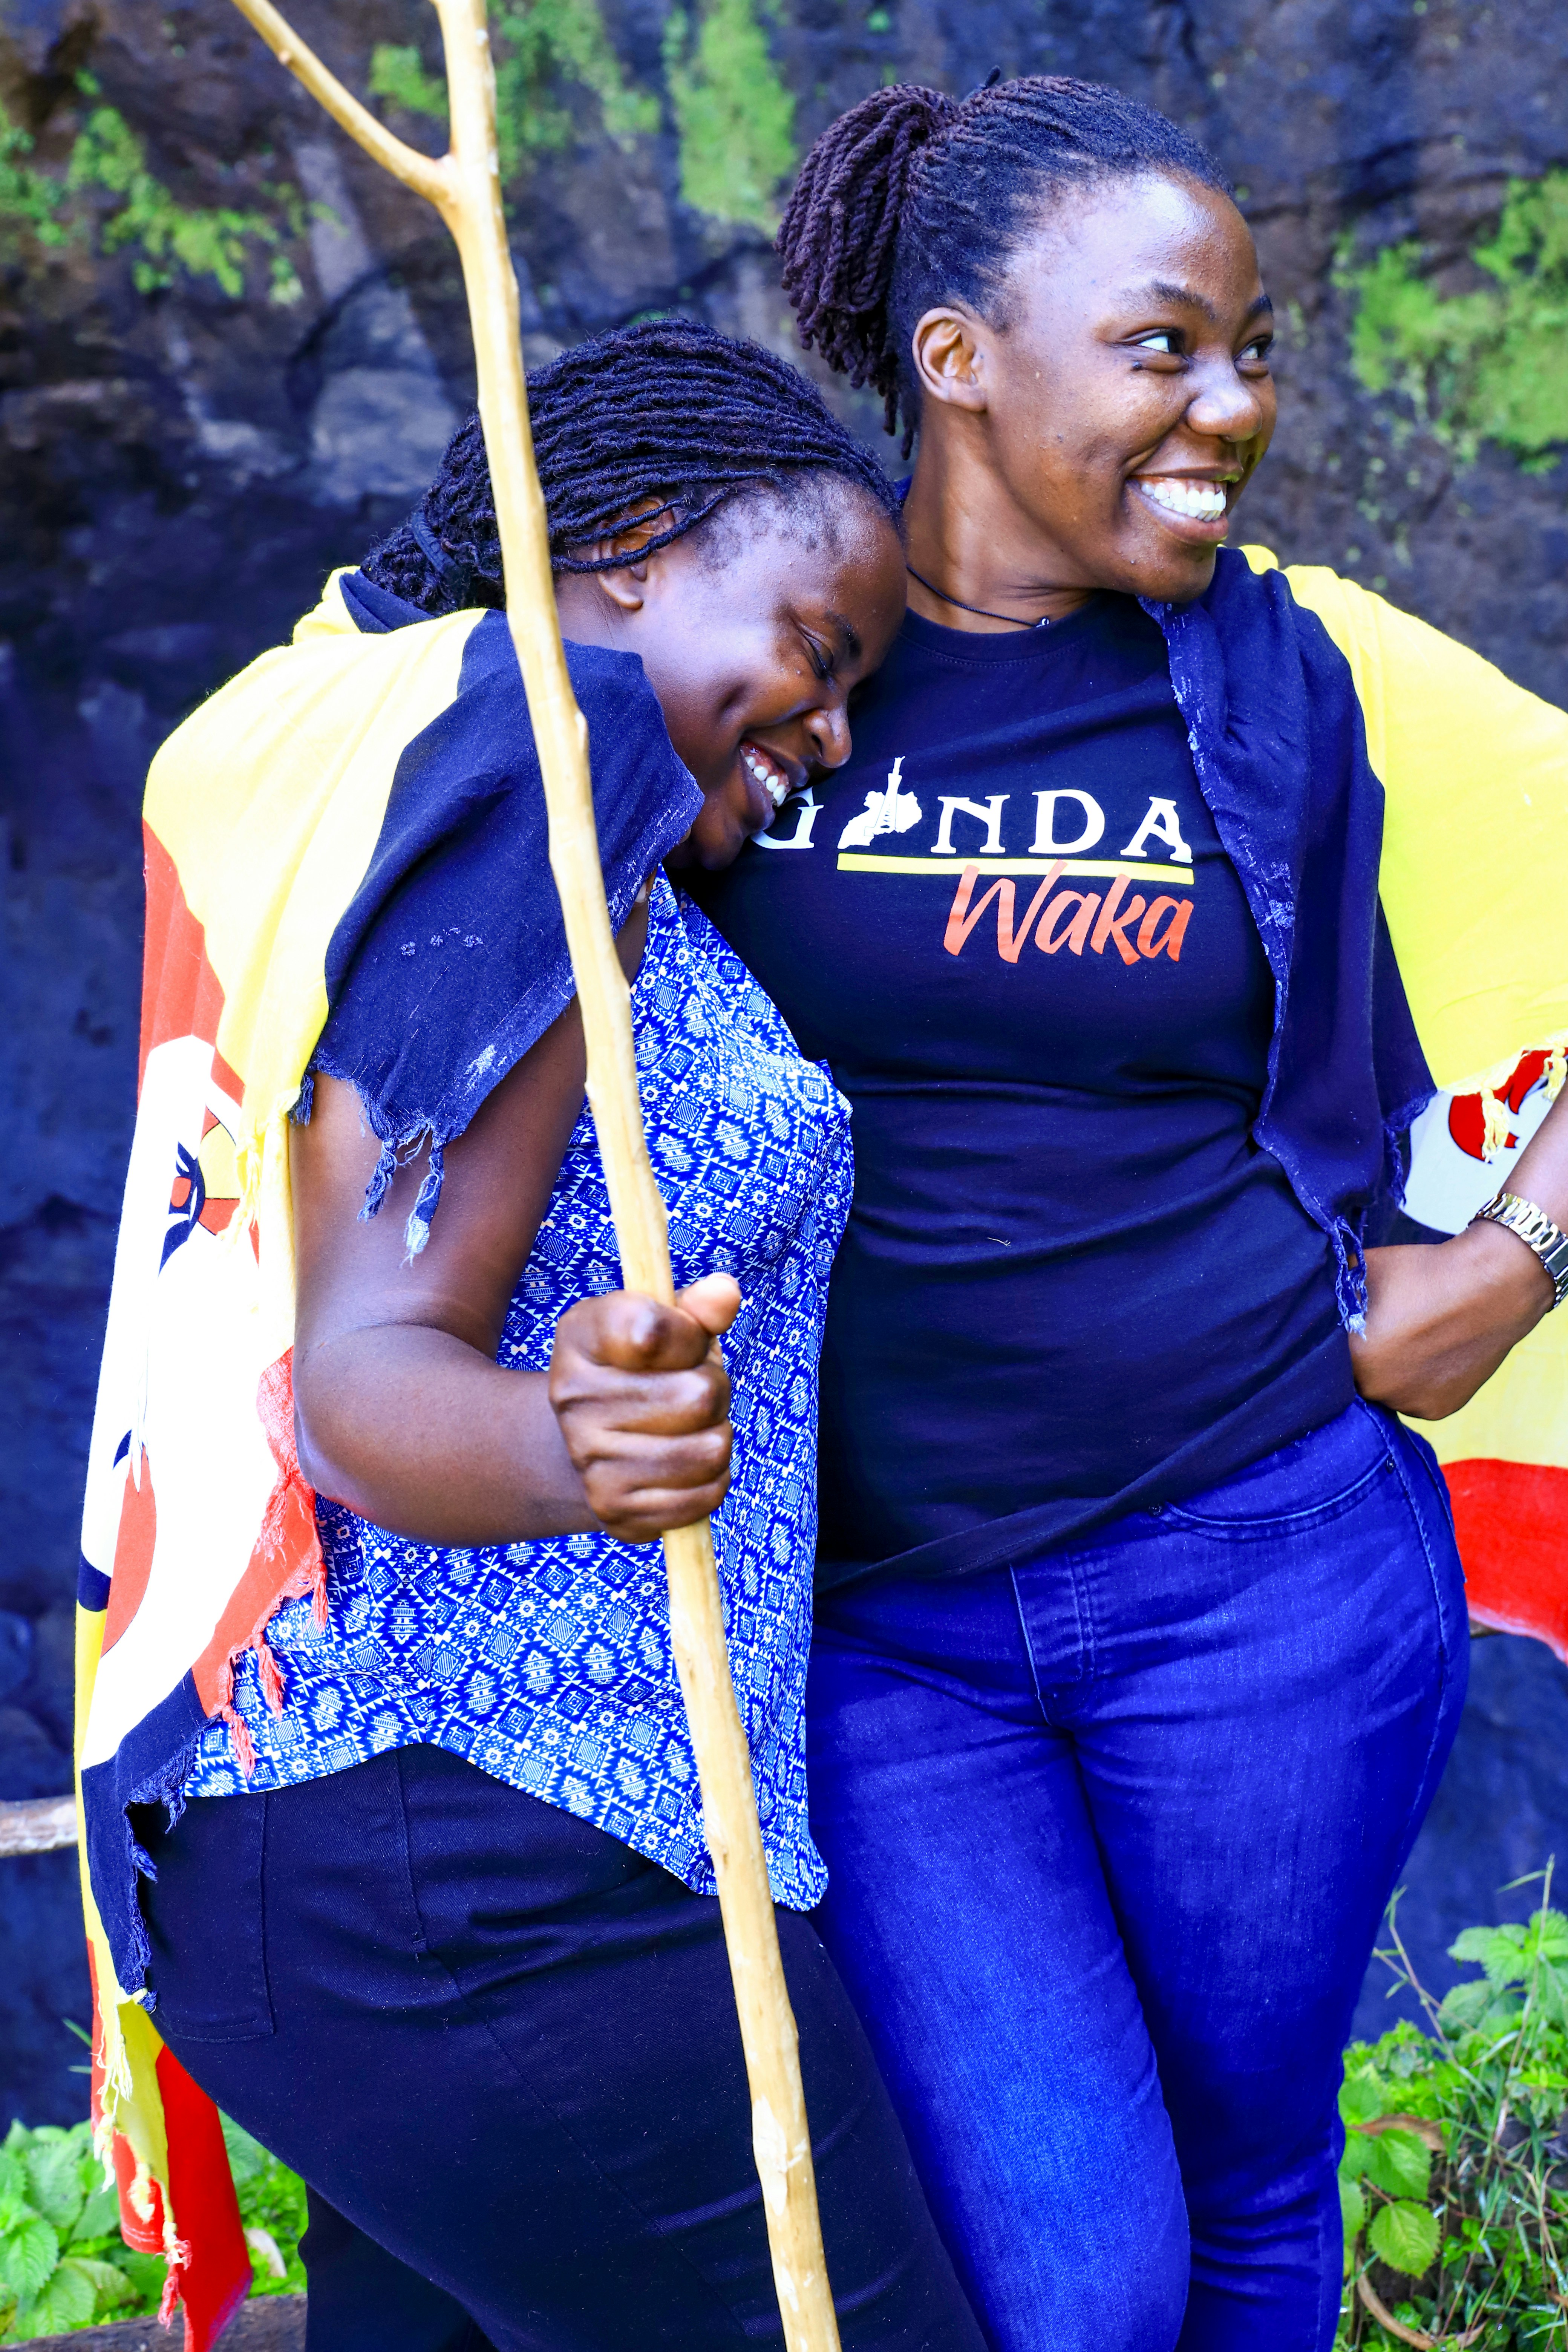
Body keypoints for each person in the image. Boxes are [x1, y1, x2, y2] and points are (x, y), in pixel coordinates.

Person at [691, 78, 1568, 2352]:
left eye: (1252, 352)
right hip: (880, 1630)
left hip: (1261, 1574)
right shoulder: (757, 637)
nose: (1235, 407)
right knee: (1074, 2280)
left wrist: (1514, 1262)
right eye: (1167, 347)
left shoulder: (1283, 676)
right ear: (963, 355)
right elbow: (404, 780)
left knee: (1262, 2193)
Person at [84, 321, 986, 2351]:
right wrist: (575, 1448)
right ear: (641, 545)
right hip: (503, 1860)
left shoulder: (415, 768)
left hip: (346, 1855)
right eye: (823, 653)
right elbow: (365, 1378)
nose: (837, 731)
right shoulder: (545, 768)